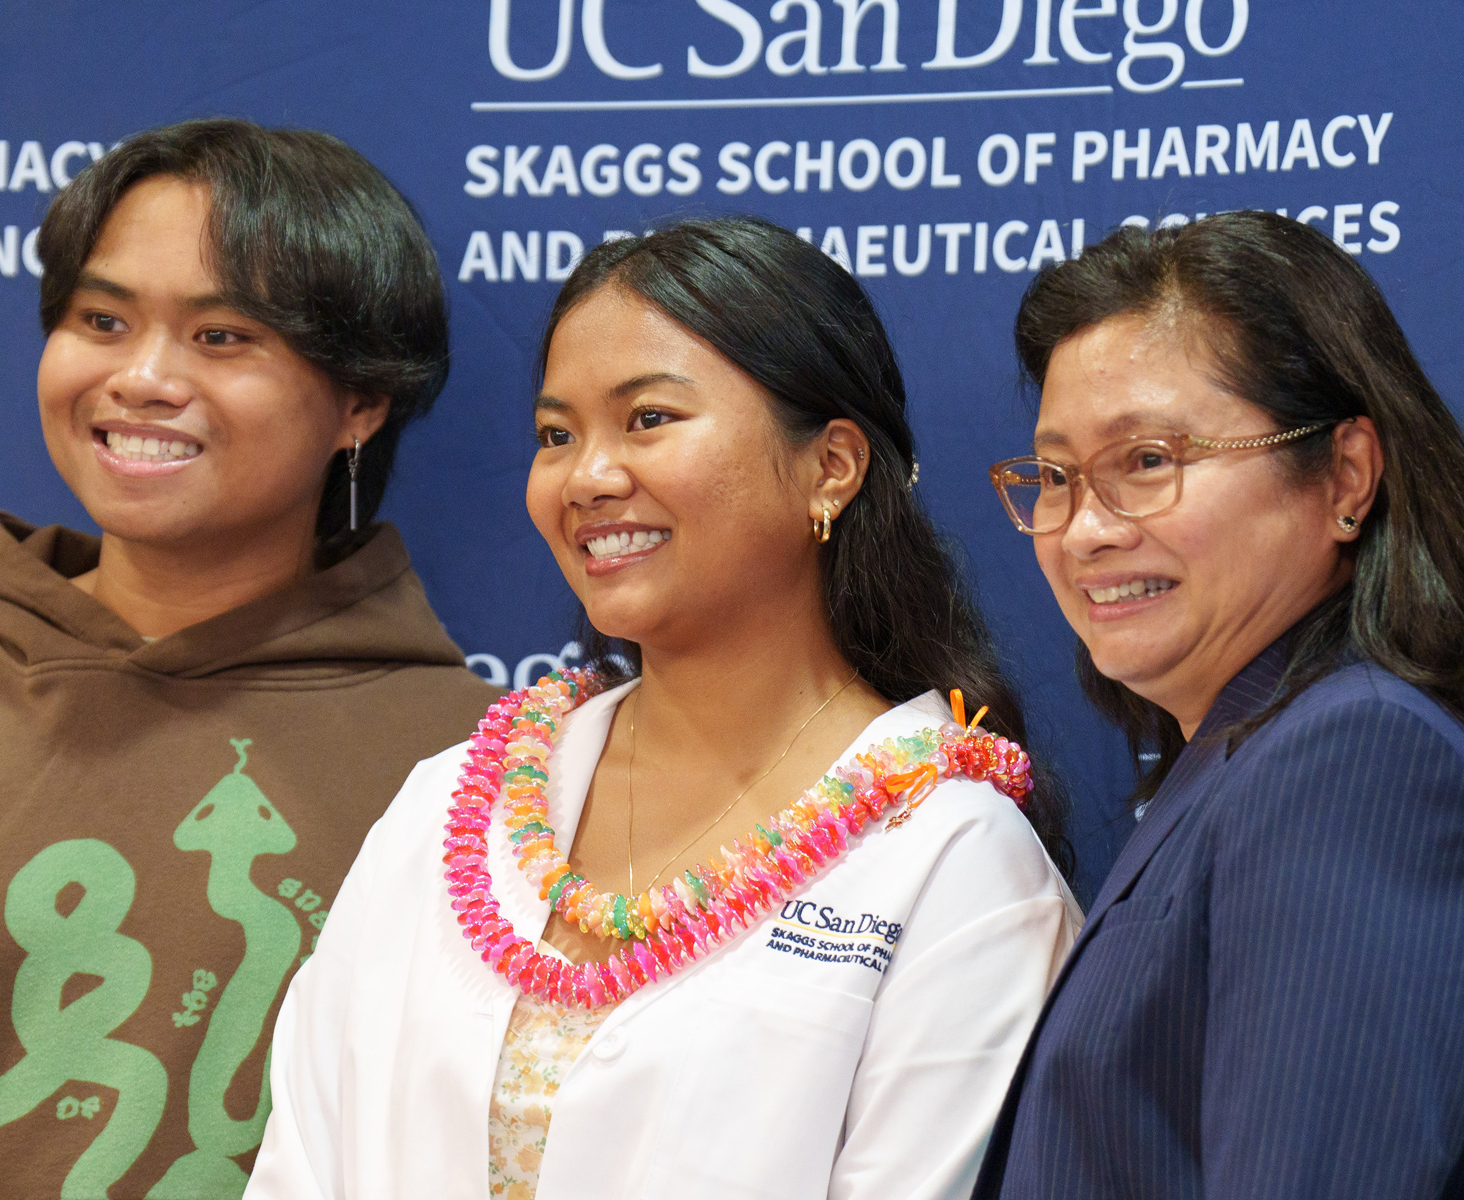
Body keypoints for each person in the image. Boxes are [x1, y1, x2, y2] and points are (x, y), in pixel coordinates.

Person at [0, 118, 501, 1200]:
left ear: (361, 401)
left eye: (222, 337)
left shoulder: (475, 769)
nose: (143, 378)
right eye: (101, 320)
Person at [245, 216, 1079, 1200]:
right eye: (557, 435)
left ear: (833, 466)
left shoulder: (953, 859)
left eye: (648, 419)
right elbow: (300, 1161)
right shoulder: (452, 805)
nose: (588, 477)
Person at [973, 212, 1464, 1199]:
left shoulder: (1358, 761)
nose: (1084, 529)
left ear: (1344, 475)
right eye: (1054, 477)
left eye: (1147, 461)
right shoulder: (1244, 759)